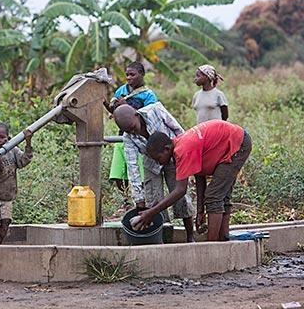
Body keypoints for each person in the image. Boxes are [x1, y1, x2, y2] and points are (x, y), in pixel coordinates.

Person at [140, 120, 252, 241]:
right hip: (235, 139)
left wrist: (151, 212)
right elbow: (200, 175)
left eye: (158, 158)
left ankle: (212, 246)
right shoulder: (180, 145)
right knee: (221, 196)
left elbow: (180, 190)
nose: (158, 163)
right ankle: (223, 239)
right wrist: (200, 211)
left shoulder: (183, 150)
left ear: (167, 149)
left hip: (237, 144)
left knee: (214, 196)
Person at [113, 104, 195, 242]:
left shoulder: (155, 111)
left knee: (182, 198)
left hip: (173, 156)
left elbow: (179, 130)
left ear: (137, 115)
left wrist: (183, 155)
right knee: (154, 200)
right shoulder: (128, 137)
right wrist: (139, 199)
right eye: (129, 131)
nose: (134, 133)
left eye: (133, 128)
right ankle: (163, 238)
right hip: (151, 163)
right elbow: (132, 167)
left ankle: (190, 237)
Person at [103, 62, 157, 204]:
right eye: (127, 74)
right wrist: (108, 105)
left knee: (138, 172)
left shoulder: (148, 95)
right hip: (122, 136)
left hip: (140, 138)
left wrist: (125, 106)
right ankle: (127, 200)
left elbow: (149, 117)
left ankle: (143, 201)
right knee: (118, 173)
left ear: (142, 75)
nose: (128, 77)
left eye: (132, 74)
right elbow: (117, 113)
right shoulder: (121, 91)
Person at [0, 123, 33, 244]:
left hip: (7, 195)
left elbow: (23, 161)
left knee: (6, 222)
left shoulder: (13, 150)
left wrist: (28, 142)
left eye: (1, 137)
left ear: (8, 138)